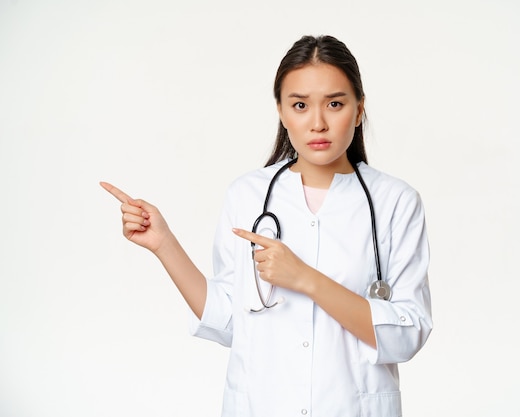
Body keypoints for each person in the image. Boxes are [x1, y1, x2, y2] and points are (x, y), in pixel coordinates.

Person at [101, 35, 432, 417]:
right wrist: (164, 244)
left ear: (358, 110)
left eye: (335, 104)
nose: (318, 123)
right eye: (300, 105)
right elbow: (229, 321)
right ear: (281, 111)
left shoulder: (396, 202)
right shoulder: (248, 195)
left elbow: (408, 332)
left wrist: (305, 278)